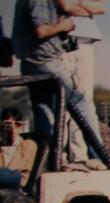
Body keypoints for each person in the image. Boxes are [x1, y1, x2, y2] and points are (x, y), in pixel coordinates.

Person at [12, 0, 102, 156]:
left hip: (30, 62)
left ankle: (47, 159)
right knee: (80, 102)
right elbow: (41, 30)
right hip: (46, 61)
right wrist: (64, 26)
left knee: (44, 110)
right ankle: (100, 155)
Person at [56, 0, 105, 164]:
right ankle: (60, 156)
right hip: (61, 41)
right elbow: (65, 6)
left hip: (85, 41)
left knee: (84, 101)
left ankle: (79, 155)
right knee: (63, 103)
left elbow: (100, 7)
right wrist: (83, 7)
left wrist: (76, 5)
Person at [0, 108, 37, 189]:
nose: (13, 127)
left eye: (17, 124)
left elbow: (21, 172)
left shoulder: (28, 144)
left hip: (16, 180)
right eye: (8, 124)